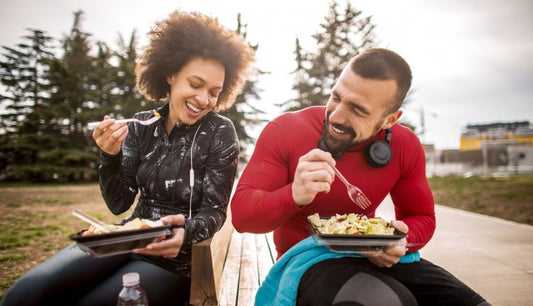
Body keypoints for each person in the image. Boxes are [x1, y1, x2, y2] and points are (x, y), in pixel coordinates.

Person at [2, 11, 254, 306]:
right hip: (125, 237)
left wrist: (185, 232)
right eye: (195, 84)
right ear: (170, 74)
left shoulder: (220, 131)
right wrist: (109, 156)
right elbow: (119, 203)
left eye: (214, 92)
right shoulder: (141, 124)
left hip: (175, 260)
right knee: (23, 295)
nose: (204, 99)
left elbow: (214, 212)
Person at [230, 48, 489, 305]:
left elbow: (421, 216)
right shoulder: (285, 130)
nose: (337, 115)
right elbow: (243, 218)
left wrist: (401, 240)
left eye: (357, 110)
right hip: (306, 261)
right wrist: (293, 194)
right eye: (336, 96)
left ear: (390, 119)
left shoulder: (406, 145)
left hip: (371, 256)